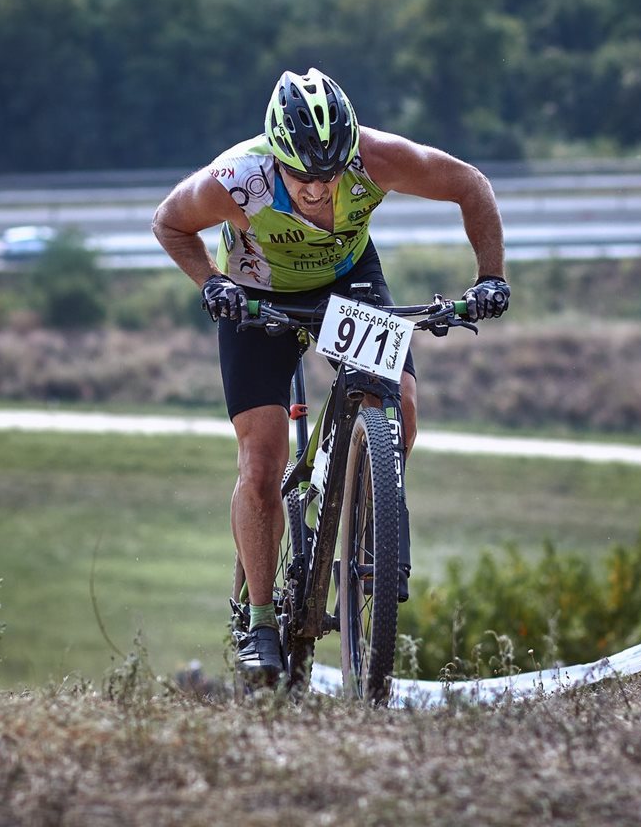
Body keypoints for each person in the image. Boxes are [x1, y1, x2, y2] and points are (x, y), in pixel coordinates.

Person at [151, 67, 511, 682]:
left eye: (331, 174)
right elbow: (169, 222)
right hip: (254, 294)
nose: (319, 191)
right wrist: (211, 284)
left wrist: (490, 277)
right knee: (260, 463)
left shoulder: (376, 158)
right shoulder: (240, 177)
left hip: (349, 283)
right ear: (276, 159)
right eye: (303, 178)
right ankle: (259, 620)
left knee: (400, 401)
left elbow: (470, 186)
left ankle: (369, 518)